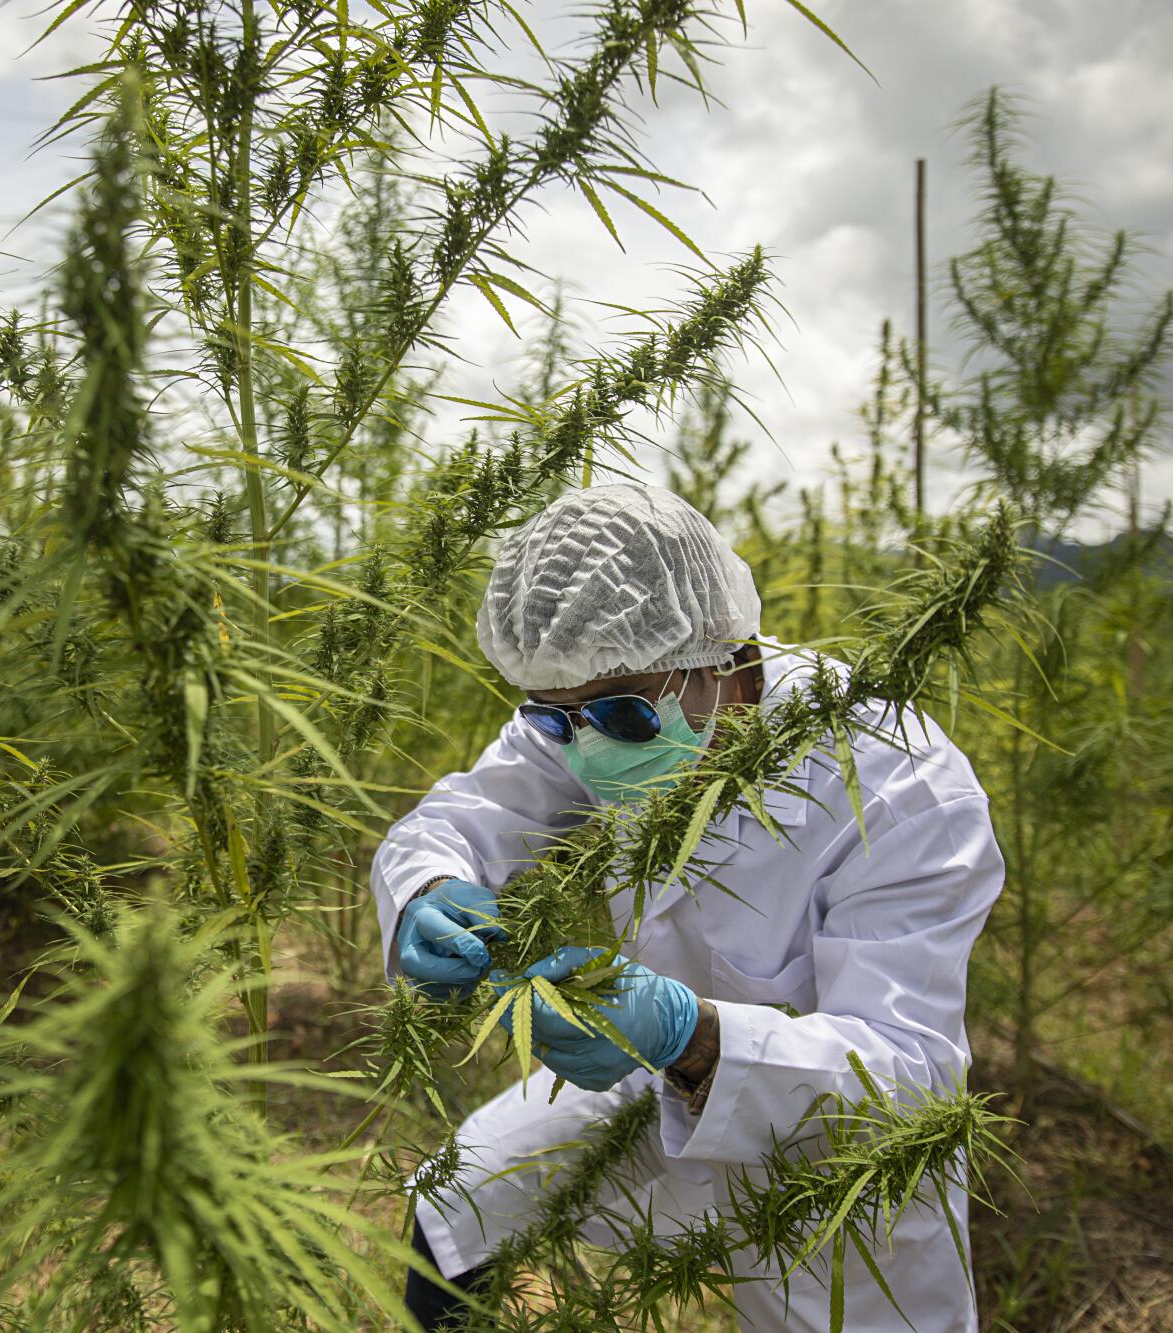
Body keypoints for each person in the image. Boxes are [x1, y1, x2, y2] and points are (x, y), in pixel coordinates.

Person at [374, 484, 1003, 1331]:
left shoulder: (902, 786)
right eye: (556, 720)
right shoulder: (591, 705)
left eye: (623, 713)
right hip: (648, 1071)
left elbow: (911, 1075)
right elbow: (465, 816)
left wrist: (691, 1033)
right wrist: (428, 887)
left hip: (838, 1146)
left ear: (731, 661)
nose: (584, 745)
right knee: (462, 1198)